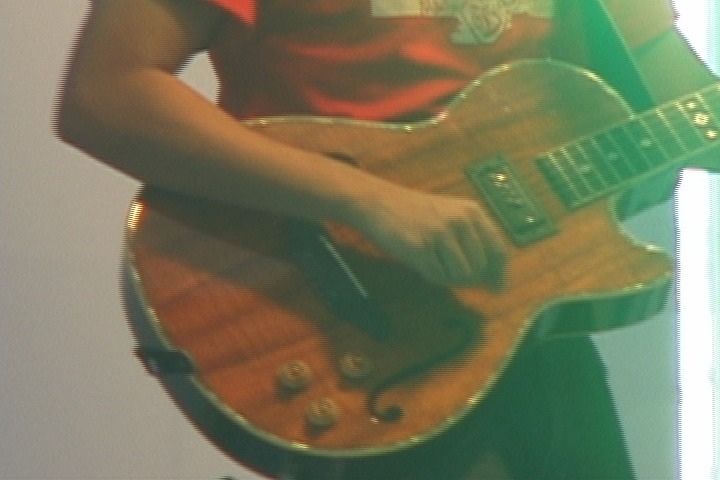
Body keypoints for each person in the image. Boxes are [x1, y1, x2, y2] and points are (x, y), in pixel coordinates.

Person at [56, 1, 717, 478]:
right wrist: (369, 201)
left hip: (525, 326)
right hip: (337, 315)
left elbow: (684, 102)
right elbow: (105, 93)